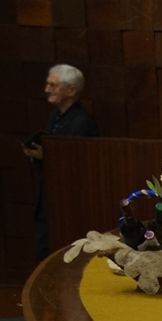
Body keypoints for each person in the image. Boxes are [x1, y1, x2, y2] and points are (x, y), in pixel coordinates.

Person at [23, 64, 98, 262]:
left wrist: (46, 156)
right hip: (49, 195)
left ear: (71, 90)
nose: (47, 89)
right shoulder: (55, 117)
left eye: (53, 85)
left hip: (67, 200)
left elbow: (74, 162)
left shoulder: (81, 121)